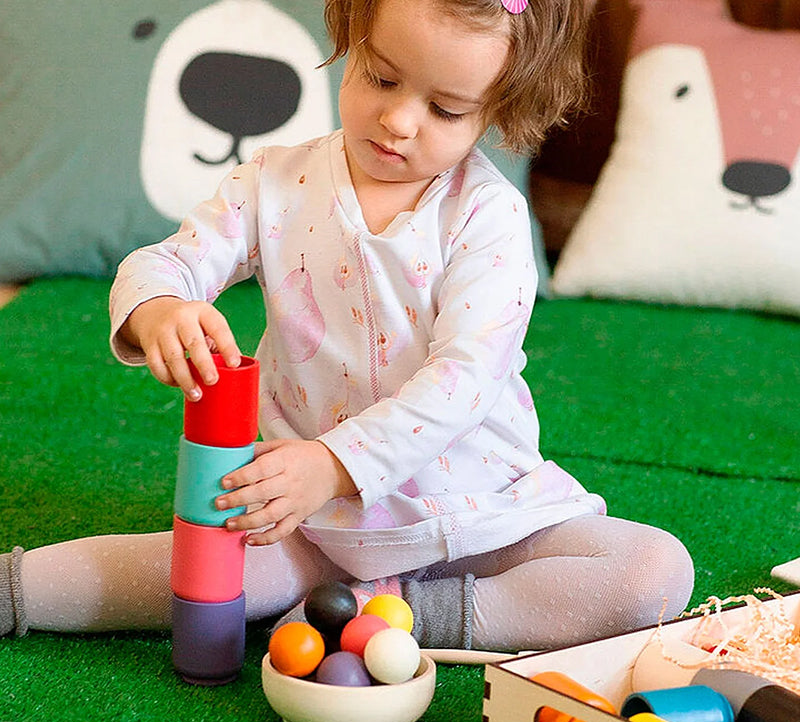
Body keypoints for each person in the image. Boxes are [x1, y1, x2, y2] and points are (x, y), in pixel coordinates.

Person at [1, 0, 694, 650]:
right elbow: (166, 263)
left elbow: (464, 380)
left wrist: (336, 464)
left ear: (497, 112)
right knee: (197, 572)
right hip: (312, 522)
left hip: (479, 509)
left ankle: (409, 615)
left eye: (446, 109)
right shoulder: (272, 183)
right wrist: (158, 307)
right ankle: (13, 589)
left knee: (655, 572)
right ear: (352, 35)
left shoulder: (490, 217)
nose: (398, 120)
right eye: (382, 77)